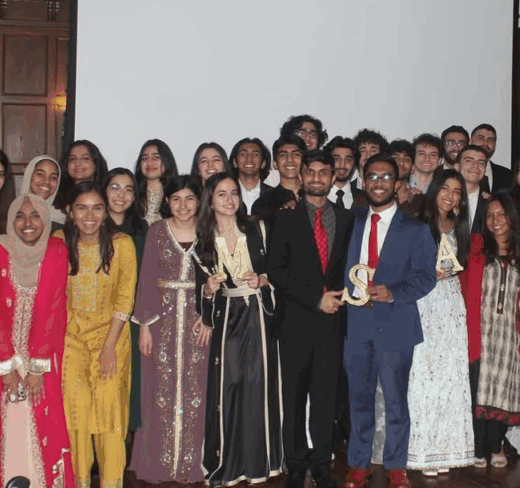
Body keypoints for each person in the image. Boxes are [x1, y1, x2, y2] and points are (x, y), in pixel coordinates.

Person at [342, 154, 436, 488]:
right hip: (355, 322)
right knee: (358, 397)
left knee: (396, 398)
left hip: (395, 322)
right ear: (363, 182)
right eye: (372, 176)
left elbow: (427, 278)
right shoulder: (349, 220)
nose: (379, 182)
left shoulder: (416, 228)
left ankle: (396, 465)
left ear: (396, 184)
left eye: (386, 176)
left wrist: (394, 292)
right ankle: (358, 463)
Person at [266, 150, 354, 488]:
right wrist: (313, 298)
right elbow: (276, 270)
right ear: (301, 177)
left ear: (333, 178)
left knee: (324, 399)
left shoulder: (347, 220)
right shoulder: (284, 218)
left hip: (333, 323)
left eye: (323, 172)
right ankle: (295, 464)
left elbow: (351, 269)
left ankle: (320, 465)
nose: (317, 177)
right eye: (311, 172)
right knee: (293, 398)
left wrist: (340, 297)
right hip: (294, 323)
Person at [194, 172, 283, 485]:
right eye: (221, 194)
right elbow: (200, 290)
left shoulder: (257, 228)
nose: (229, 200)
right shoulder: (202, 238)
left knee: (258, 386)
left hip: (258, 313)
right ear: (211, 199)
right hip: (227, 317)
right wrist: (207, 289)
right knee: (229, 387)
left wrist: (262, 280)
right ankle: (228, 463)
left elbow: (278, 269)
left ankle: (261, 462)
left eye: (233, 193)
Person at [0, 193, 73, 488]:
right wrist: (7, 369)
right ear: (10, 220)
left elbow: (55, 308)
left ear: (45, 218)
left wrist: (36, 368)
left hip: (42, 358)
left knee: (42, 419)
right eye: (19, 216)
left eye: (35, 215)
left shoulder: (56, 250)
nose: (28, 223)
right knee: (7, 424)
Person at [130, 175, 211, 484]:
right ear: (167, 202)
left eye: (189, 198)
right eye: (176, 199)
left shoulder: (208, 231)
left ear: (199, 201)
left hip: (197, 324)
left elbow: (217, 279)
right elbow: (147, 279)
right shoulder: (157, 232)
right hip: (161, 325)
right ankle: (159, 464)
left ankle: (193, 462)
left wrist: (209, 318)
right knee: (158, 391)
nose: (183, 205)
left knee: (197, 391)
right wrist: (145, 328)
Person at [58, 183, 137, 488]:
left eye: (97, 208)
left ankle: (110, 482)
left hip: (111, 339)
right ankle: (78, 482)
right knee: (75, 414)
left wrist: (108, 348)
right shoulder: (58, 243)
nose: (89, 215)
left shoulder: (122, 244)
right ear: (70, 212)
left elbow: (123, 299)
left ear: (106, 213)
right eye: (82, 207)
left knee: (108, 414)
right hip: (70, 341)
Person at [405, 170, 475, 474]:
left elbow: (460, 266)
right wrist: (421, 274)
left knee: (450, 375)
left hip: (450, 302)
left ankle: (447, 450)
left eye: (457, 191)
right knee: (423, 373)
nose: (450, 195)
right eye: (445, 188)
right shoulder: (416, 222)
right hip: (423, 301)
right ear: (435, 190)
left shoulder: (460, 226)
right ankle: (421, 453)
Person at [471, 193, 520, 467]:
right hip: (483, 332)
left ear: (511, 217)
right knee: (480, 390)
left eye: (501, 214)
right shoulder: (478, 251)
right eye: (490, 215)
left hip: (510, 335)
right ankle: (478, 448)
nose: (496, 221)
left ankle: (496, 445)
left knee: (502, 391)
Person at [103, 168, 148, 435]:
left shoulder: (142, 230)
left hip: (131, 316)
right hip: (95, 317)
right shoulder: (91, 225)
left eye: (128, 189)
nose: (121, 195)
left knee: (128, 380)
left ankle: (123, 439)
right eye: (115, 188)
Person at [253, 136, 304, 222]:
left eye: (296, 154)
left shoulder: (314, 197)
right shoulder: (263, 203)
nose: (290, 160)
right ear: (275, 164)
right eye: (283, 155)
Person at [133, 139, 179, 224]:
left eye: (156, 157)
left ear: (167, 161)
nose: (149, 163)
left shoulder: (178, 194)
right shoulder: (132, 194)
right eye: (145, 158)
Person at [55, 139, 109, 209]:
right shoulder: (55, 196)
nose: (77, 163)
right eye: (72, 159)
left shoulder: (107, 196)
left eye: (85, 158)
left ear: (96, 163)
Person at [20, 155, 65, 227]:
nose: (47, 181)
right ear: (29, 175)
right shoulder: (11, 213)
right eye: (40, 174)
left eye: (53, 177)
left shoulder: (61, 219)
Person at [230, 137, 272, 214]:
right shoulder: (226, 194)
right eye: (243, 154)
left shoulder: (274, 195)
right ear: (235, 162)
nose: (249, 158)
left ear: (263, 163)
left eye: (255, 155)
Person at [457, 145, 490, 233]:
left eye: (481, 163)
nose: (475, 166)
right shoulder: (444, 200)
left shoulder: (490, 204)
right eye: (469, 161)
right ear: (457, 167)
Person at [471, 124, 512, 193]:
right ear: (470, 141)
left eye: (490, 140)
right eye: (481, 138)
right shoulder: (460, 172)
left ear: (495, 145)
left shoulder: (508, 176)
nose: (485, 143)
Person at [326, 136, 364, 210]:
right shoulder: (316, 195)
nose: (342, 164)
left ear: (354, 164)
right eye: (337, 159)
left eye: (348, 160)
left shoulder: (364, 199)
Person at [389, 139, 416, 207]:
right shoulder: (376, 194)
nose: (401, 163)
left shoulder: (419, 200)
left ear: (412, 168)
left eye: (406, 159)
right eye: (395, 158)